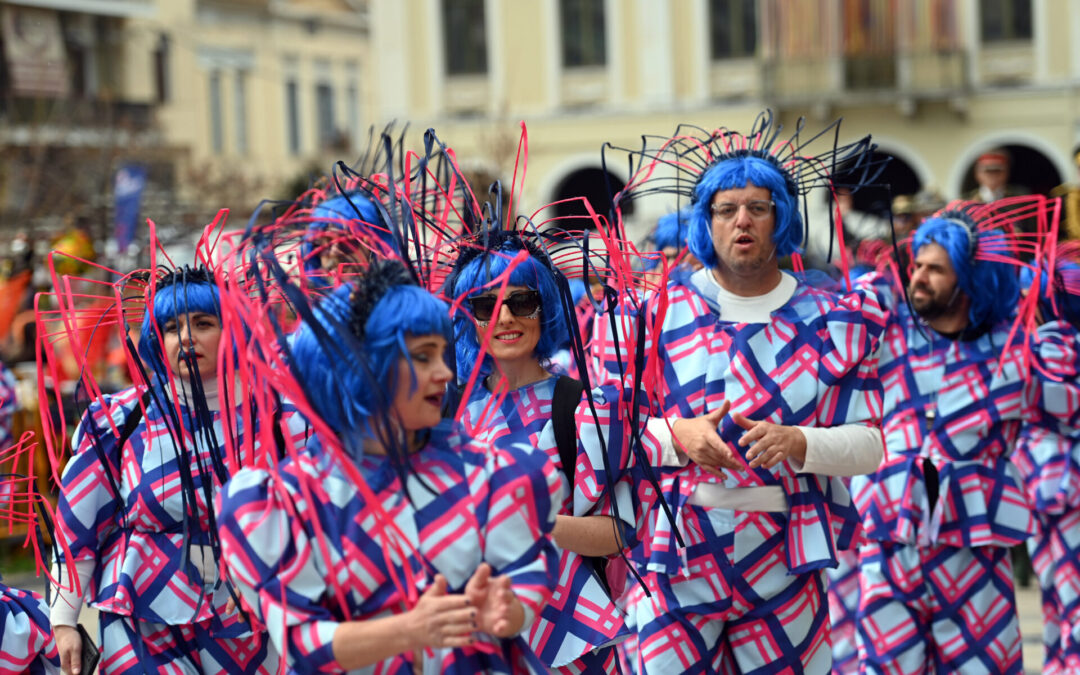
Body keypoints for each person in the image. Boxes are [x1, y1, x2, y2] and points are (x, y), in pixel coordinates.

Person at [594, 115, 888, 673]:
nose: (742, 220)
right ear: (707, 222)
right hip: (674, 560)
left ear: (783, 217)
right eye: (725, 209)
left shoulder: (831, 319)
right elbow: (600, 427)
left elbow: (871, 444)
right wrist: (673, 434)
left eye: (758, 206)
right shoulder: (650, 314)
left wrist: (800, 441)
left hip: (784, 562)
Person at [216, 258, 562, 673]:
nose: (444, 372)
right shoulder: (288, 500)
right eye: (422, 357)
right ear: (362, 369)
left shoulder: (487, 472)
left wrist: (510, 610)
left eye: (441, 352)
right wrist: (409, 631)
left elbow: (524, 577)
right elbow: (301, 643)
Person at [850, 201, 1080, 674]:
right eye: (917, 265)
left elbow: (1067, 407)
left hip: (973, 550)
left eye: (936, 270)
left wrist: (1056, 324)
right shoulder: (890, 339)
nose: (919, 277)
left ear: (970, 278)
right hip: (890, 546)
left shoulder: (1014, 352)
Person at [49, 263, 280, 675]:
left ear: (235, 329)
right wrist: (64, 618)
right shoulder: (119, 419)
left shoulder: (281, 418)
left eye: (203, 322)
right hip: (141, 613)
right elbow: (77, 525)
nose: (186, 338)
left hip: (249, 612)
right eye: (172, 327)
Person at [450, 231, 639, 673]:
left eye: (521, 301)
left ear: (545, 307)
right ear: (469, 319)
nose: (504, 318)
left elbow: (617, 532)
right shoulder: (448, 416)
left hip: (572, 634)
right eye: (485, 305)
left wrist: (528, 521)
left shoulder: (582, 406)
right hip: (474, 634)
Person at [1013, 254, 1080, 674]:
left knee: (1065, 597)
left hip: (1056, 486)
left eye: (1029, 295)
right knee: (1060, 595)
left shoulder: (1049, 347)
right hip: (1051, 488)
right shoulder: (1041, 346)